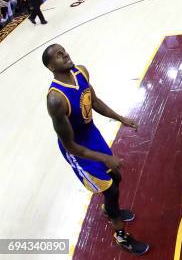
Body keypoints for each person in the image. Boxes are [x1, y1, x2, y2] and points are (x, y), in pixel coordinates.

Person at [43, 44, 149, 255]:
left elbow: (95, 102)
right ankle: (121, 236)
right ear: (50, 66)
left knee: (115, 178)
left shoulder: (81, 71)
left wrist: (120, 118)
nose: (65, 55)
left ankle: (109, 209)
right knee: (110, 188)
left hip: (91, 135)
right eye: (58, 55)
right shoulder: (55, 100)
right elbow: (70, 146)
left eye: (64, 51)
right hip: (76, 148)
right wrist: (104, 158)